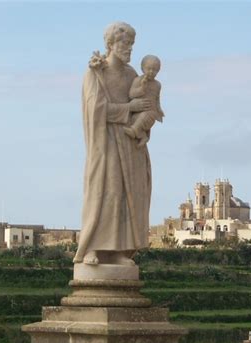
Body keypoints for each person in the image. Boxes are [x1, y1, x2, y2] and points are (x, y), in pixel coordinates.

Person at [74, 22, 152, 266]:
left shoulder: (131, 75)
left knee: (127, 196)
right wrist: (128, 109)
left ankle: (119, 250)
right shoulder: (95, 73)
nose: (129, 48)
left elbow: (144, 105)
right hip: (105, 144)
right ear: (110, 44)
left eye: (131, 44)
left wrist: (143, 124)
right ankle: (92, 247)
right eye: (124, 43)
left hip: (129, 143)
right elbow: (95, 111)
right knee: (105, 193)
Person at [124, 55, 164, 147]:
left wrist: (159, 109)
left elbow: (157, 98)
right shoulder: (138, 80)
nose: (151, 72)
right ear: (142, 68)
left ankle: (133, 131)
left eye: (155, 70)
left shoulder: (157, 85)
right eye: (148, 68)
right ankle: (143, 137)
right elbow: (131, 95)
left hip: (151, 112)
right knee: (135, 120)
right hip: (138, 111)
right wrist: (142, 89)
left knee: (143, 117)